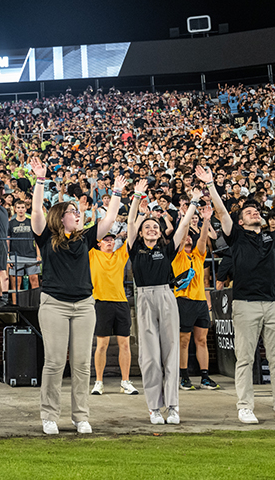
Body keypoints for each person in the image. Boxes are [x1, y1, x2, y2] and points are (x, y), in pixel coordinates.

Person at [196, 165, 275, 425]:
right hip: (245, 303)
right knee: (245, 359)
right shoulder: (236, 236)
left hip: (272, 304)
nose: (254, 213)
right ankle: (245, 406)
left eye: (256, 211)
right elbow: (222, 212)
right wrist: (211, 184)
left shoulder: (272, 237)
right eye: (249, 212)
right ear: (241, 221)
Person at [30, 157, 125, 434]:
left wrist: (117, 193)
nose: (77, 213)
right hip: (54, 305)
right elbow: (37, 210)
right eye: (72, 210)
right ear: (61, 217)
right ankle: (49, 415)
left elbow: (108, 219)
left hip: (84, 304)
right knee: (55, 362)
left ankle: (80, 416)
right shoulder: (46, 236)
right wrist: (40, 180)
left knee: (83, 364)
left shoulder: (84, 237)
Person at [126, 180, 200, 425]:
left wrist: (194, 203)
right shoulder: (134, 249)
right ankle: (154, 408)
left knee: (170, 353)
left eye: (154, 227)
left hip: (167, 295)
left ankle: (173, 406)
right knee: (150, 357)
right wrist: (137, 196)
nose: (150, 229)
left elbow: (182, 228)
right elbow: (130, 224)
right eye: (146, 226)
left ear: (159, 232)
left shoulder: (167, 249)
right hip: (145, 297)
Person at [174, 205, 221, 391]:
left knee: (201, 340)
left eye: (189, 237)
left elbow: (203, 238)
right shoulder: (177, 256)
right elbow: (181, 235)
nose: (188, 238)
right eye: (185, 237)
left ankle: (204, 376)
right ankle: (184, 376)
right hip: (183, 301)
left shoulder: (198, 255)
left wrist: (206, 219)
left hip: (200, 301)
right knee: (183, 340)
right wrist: (185, 219)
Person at [89, 231, 138, 397]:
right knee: (102, 345)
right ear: (99, 243)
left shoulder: (120, 255)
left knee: (125, 344)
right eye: (106, 240)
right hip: (101, 302)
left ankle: (125, 382)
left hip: (121, 302)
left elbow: (132, 237)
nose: (109, 242)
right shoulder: (93, 254)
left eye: (111, 240)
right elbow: (86, 237)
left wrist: (140, 215)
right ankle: (99, 382)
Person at [7, 200, 40, 305]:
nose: (21, 210)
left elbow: (36, 240)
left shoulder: (31, 222)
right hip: (15, 255)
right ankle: (15, 306)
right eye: (18, 207)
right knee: (16, 284)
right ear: (15, 209)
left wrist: (38, 255)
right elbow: (7, 240)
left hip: (31, 255)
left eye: (22, 207)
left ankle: (36, 305)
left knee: (34, 281)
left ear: (26, 209)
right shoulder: (10, 224)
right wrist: (8, 256)